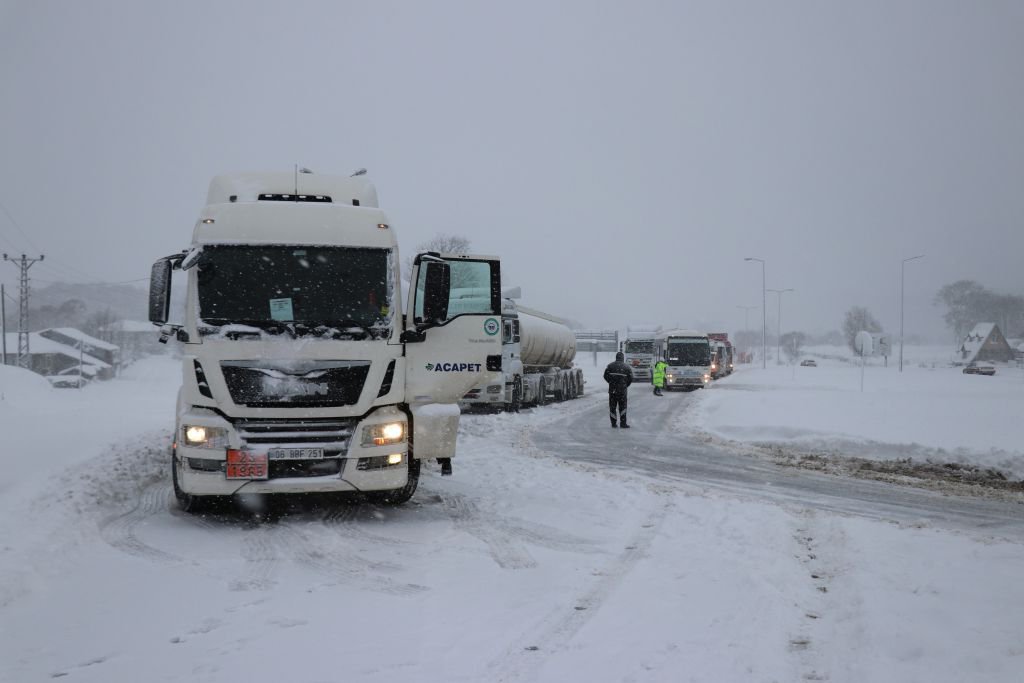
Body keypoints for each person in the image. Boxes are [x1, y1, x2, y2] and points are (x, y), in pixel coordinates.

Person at [603, 351, 634, 428]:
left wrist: (610, 382)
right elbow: (631, 378)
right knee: (623, 407)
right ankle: (623, 423)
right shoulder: (627, 367)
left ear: (616, 358)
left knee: (612, 407)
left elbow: (605, 376)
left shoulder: (610, 366)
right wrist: (625, 385)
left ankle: (613, 423)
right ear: (623, 358)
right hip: (622, 391)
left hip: (612, 391)